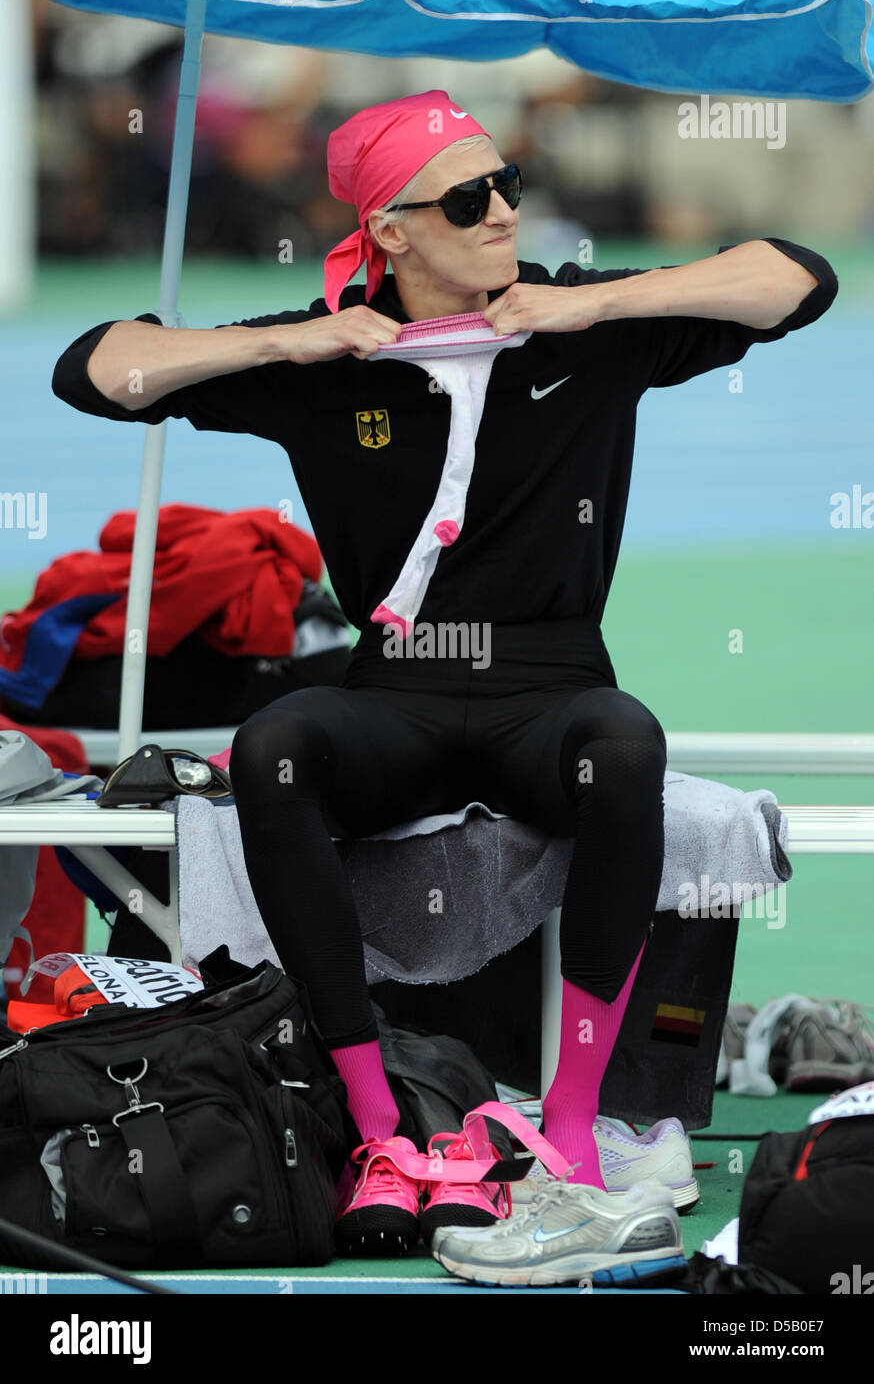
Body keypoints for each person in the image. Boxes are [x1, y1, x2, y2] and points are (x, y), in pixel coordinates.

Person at [52, 89, 837, 1259]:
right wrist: (292, 339)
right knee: (273, 747)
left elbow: (797, 279)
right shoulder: (331, 355)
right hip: (396, 689)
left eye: (507, 184)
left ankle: (568, 1132)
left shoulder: (588, 323)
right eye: (468, 198)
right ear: (392, 234)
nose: (504, 212)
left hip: (550, 685)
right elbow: (95, 368)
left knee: (625, 740)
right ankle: (378, 1126)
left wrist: (598, 300)